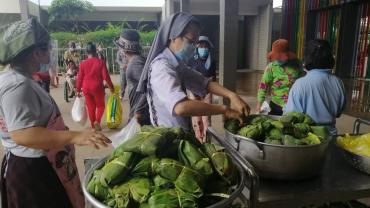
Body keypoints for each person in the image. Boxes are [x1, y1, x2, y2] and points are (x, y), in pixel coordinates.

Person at [0, 18, 111, 208]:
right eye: (47, 49)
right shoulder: (17, 85)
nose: (50, 54)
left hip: (39, 164)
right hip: (34, 171)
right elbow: (22, 134)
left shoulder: (18, 78)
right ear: (36, 53)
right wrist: (76, 136)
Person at [137, 12, 250, 132]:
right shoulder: (162, 67)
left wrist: (232, 95)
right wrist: (223, 109)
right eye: (191, 41)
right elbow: (181, 107)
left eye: (195, 42)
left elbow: (204, 83)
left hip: (180, 132)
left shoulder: (177, 64)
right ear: (174, 36)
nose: (193, 47)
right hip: (168, 137)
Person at [284, 39, 346, 135]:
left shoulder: (300, 84)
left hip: (308, 141)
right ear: (330, 57)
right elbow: (338, 113)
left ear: (307, 58)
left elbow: (290, 116)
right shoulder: (338, 82)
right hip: (331, 138)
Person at [256, 39, 304, 115]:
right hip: (276, 105)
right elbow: (263, 86)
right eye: (276, 58)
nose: (278, 60)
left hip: (293, 104)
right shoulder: (271, 67)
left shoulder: (297, 65)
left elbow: (303, 82)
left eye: (280, 58)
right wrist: (259, 103)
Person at [114, 29, 151, 125]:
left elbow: (149, 86)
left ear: (125, 49)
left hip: (140, 114)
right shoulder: (138, 60)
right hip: (140, 112)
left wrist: (138, 111)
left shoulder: (135, 63)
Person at [76, 42, 115, 131]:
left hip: (86, 88)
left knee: (91, 107)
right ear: (95, 51)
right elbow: (106, 77)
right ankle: (97, 121)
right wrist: (111, 88)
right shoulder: (100, 62)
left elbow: (79, 78)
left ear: (86, 52)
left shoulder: (83, 64)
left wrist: (77, 90)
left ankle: (93, 126)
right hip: (97, 87)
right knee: (100, 106)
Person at [188, 35, 216, 140]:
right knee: (197, 119)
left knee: (206, 119)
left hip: (207, 92)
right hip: (193, 91)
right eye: (201, 46)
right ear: (197, 47)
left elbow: (213, 78)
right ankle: (198, 138)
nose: (203, 49)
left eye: (206, 47)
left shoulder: (212, 61)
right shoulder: (191, 59)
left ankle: (207, 140)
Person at [115, 33, 129, 101]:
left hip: (130, 68)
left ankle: (131, 95)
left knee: (130, 82)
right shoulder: (119, 52)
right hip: (123, 69)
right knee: (123, 82)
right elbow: (118, 60)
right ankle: (121, 95)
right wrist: (123, 65)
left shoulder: (128, 50)